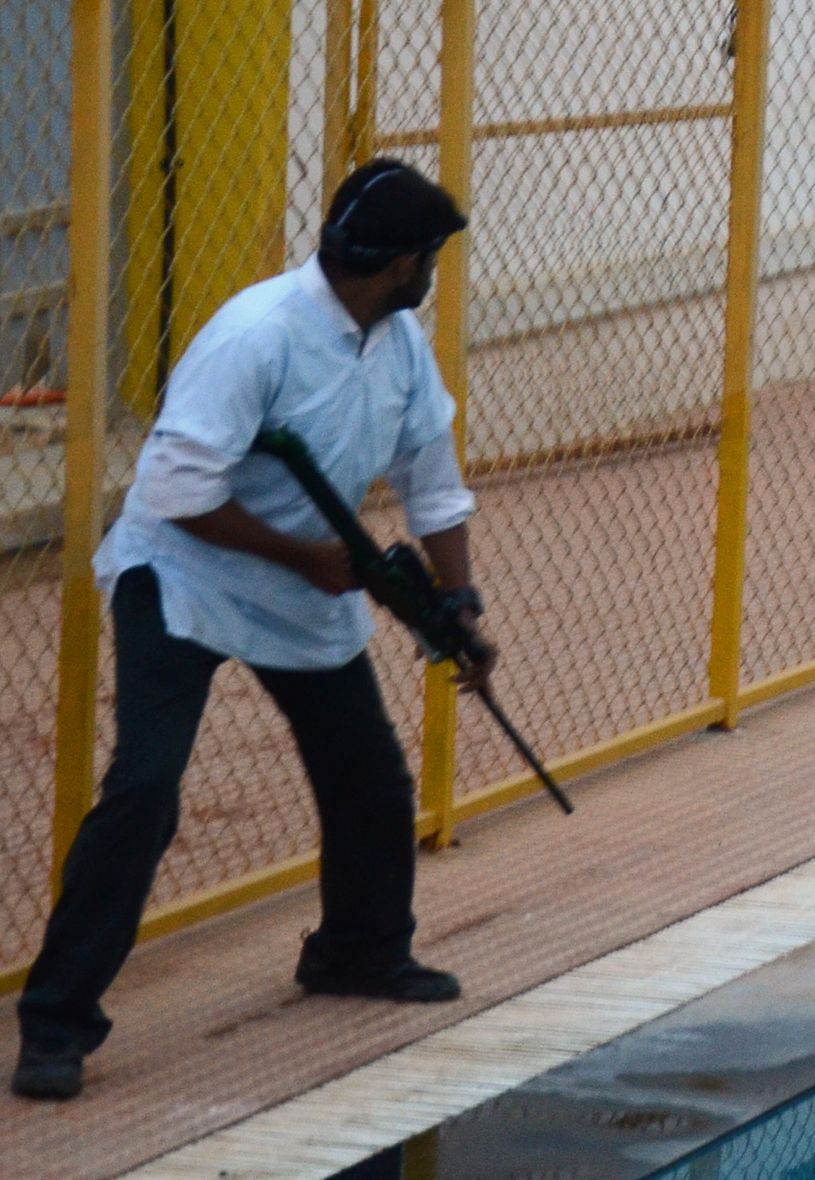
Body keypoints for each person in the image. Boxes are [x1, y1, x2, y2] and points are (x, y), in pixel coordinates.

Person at [12, 160, 497, 1102]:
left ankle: (357, 952)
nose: (433, 270)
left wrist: (460, 607)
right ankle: (56, 1023)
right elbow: (172, 493)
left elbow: (434, 484)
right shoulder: (257, 336)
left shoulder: (397, 341)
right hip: (184, 576)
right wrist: (305, 558)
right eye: (429, 256)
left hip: (303, 581)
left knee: (367, 775)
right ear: (402, 261)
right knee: (145, 788)